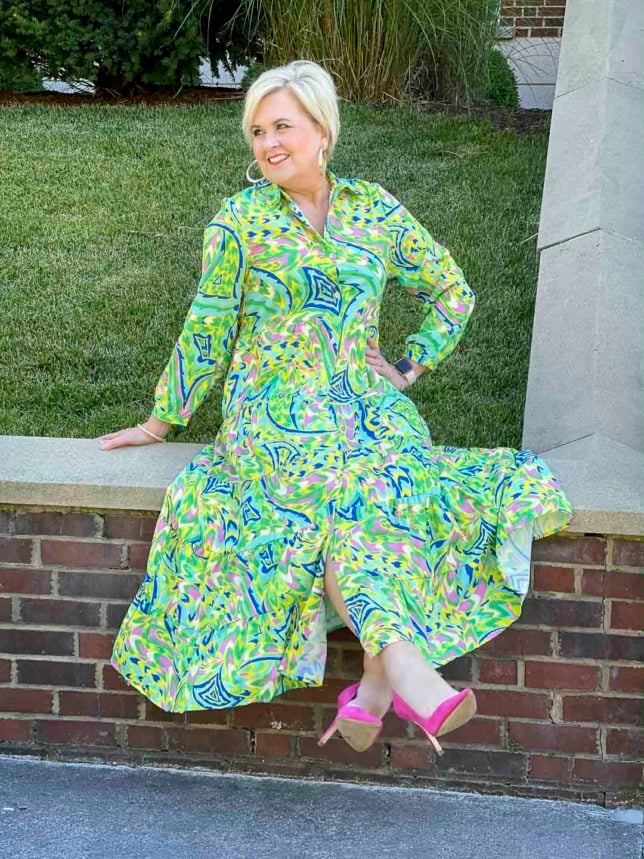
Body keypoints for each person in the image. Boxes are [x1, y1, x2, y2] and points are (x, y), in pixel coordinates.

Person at [98, 59, 573, 755]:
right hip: (274, 412)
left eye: (282, 126)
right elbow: (208, 324)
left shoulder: (374, 209)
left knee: (385, 490)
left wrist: (408, 365)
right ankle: (407, 679)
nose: (267, 143)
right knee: (341, 494)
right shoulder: (240, 222)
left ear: (323, 131)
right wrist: (159, 421)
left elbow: (453, 292)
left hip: (367, 405)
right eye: (257, 131)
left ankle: (377, 689)